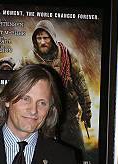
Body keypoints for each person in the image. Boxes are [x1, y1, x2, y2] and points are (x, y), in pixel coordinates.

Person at [17, 20, 91, 150]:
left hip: (68, 114)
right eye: (39, 38)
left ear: (52, 38)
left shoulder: (66, 55)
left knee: (76, 153)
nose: (43, 42)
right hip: (40, 118)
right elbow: (15, 85)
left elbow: (80, 84)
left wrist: (86, 111)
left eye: (46, 38)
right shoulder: (28, 60)